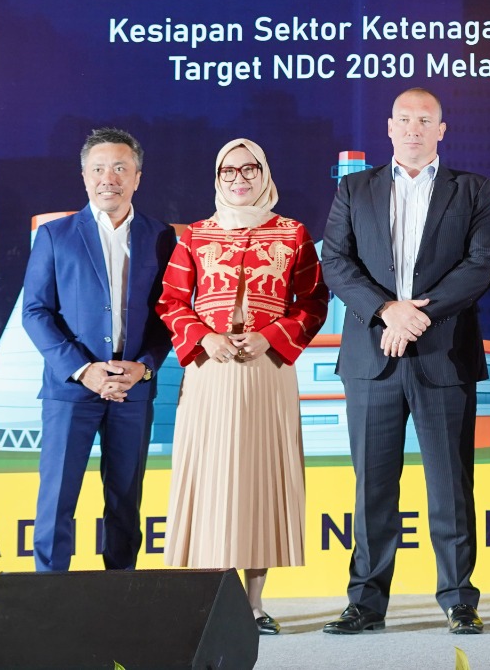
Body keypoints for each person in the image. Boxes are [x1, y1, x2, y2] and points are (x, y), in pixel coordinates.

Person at [321, 88, 490, 636]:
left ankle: (458, 599)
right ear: (389, 127)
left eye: (425, 120)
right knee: (372, 486)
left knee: (451, 485)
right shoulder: (355, 188)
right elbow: (336, 261)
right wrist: (386, 311)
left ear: (441, 130)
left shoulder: (473, 189)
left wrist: (416, 315)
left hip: (443, 355)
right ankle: (365, 602)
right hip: (371, 357)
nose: (414, 128)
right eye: (405, 119)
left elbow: (480, 265)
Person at [157, 138, 328, 635]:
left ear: (264, 173)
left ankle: (253, 605)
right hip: (209, 371)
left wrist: (271, 336)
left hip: (267, 371)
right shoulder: (196, 235)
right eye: (229, 170)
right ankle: (215, 602)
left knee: (259, 483)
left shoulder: (293, 233)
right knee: (212, 482)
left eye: (250, 168)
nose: (239, 178)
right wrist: (204, 339)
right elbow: (171, 302)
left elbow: (313, 302)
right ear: (217, 177)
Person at [21, 127, 174, 572]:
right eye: (99, 169)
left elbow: (170, 312)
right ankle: (50, 594)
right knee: (57, 500)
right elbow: (35, 311)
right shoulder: (56, 235)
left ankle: (119, 593)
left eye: (120, 168)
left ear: (137, 178)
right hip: (71, 390)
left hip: (132, 390)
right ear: (85, 177)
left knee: (125, 501)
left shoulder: (162, 236)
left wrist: (144, 367)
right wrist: (83, 370)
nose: (109, 178)